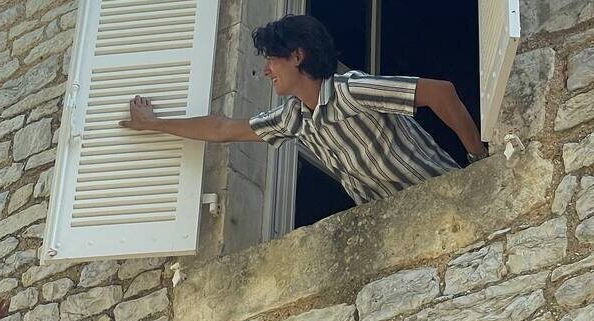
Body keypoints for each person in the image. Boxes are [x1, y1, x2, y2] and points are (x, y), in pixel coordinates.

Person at [121, 14, 488, 206]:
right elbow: (222, 129)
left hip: (446, 195)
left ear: (297, 56)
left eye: (271, 61)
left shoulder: (352, 89)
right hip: (398, 216)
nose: (266, 71)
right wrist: (155, 124)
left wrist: (476, 160)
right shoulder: (293, 117)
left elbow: (441, 92)